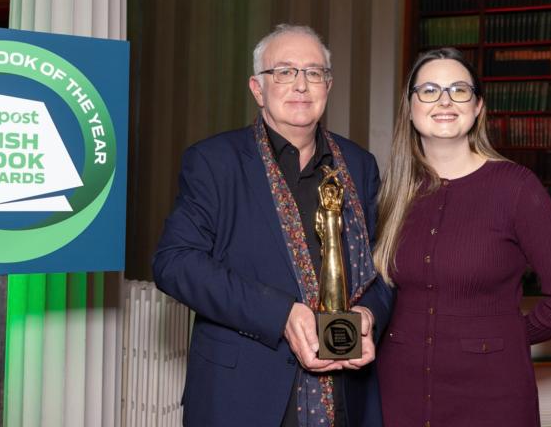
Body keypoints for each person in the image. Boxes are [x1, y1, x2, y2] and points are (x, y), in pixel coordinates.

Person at [153, 24, 394, 427]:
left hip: (347, 395)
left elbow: (384, 267)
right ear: (257, 88)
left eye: (313, 73)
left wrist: (369, 314)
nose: (300, 84)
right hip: (244, 394)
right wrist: (280, 313)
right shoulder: (215, 161)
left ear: (328, 86)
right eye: (283, 71)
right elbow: (174, 262)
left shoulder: (359, 165)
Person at [372, 47, 551, 427]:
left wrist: (506, 337)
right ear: (411, 105)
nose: (445, 101)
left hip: (492, 394)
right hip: (397, 392)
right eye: (430, 90)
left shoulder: (517, 188)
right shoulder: (392, 192)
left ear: (478, 106)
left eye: (459, 90)